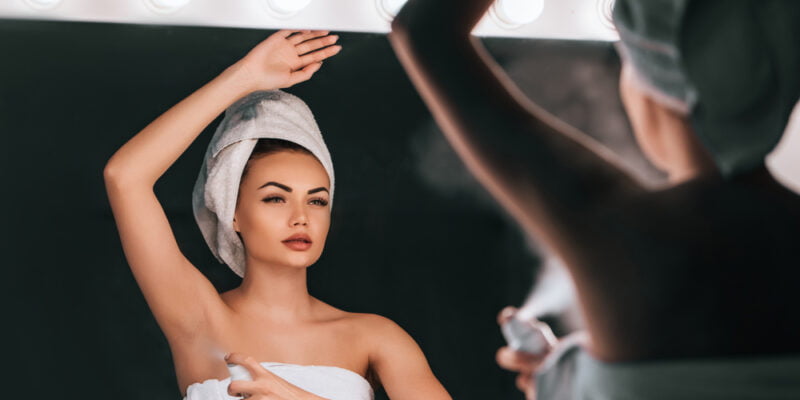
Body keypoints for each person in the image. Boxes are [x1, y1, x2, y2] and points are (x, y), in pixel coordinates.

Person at [389, 0, 800, 398]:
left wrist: (582, 381)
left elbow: (425, 31)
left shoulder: (618, 235)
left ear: (653, 91)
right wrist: (579, 373)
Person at [104, 30, 451, 400]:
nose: (301, 217)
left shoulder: (375, 337)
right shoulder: (200, 318)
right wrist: (244, 78)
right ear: (231, 212)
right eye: (275, 199)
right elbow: (125, 177)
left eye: (317, 201)